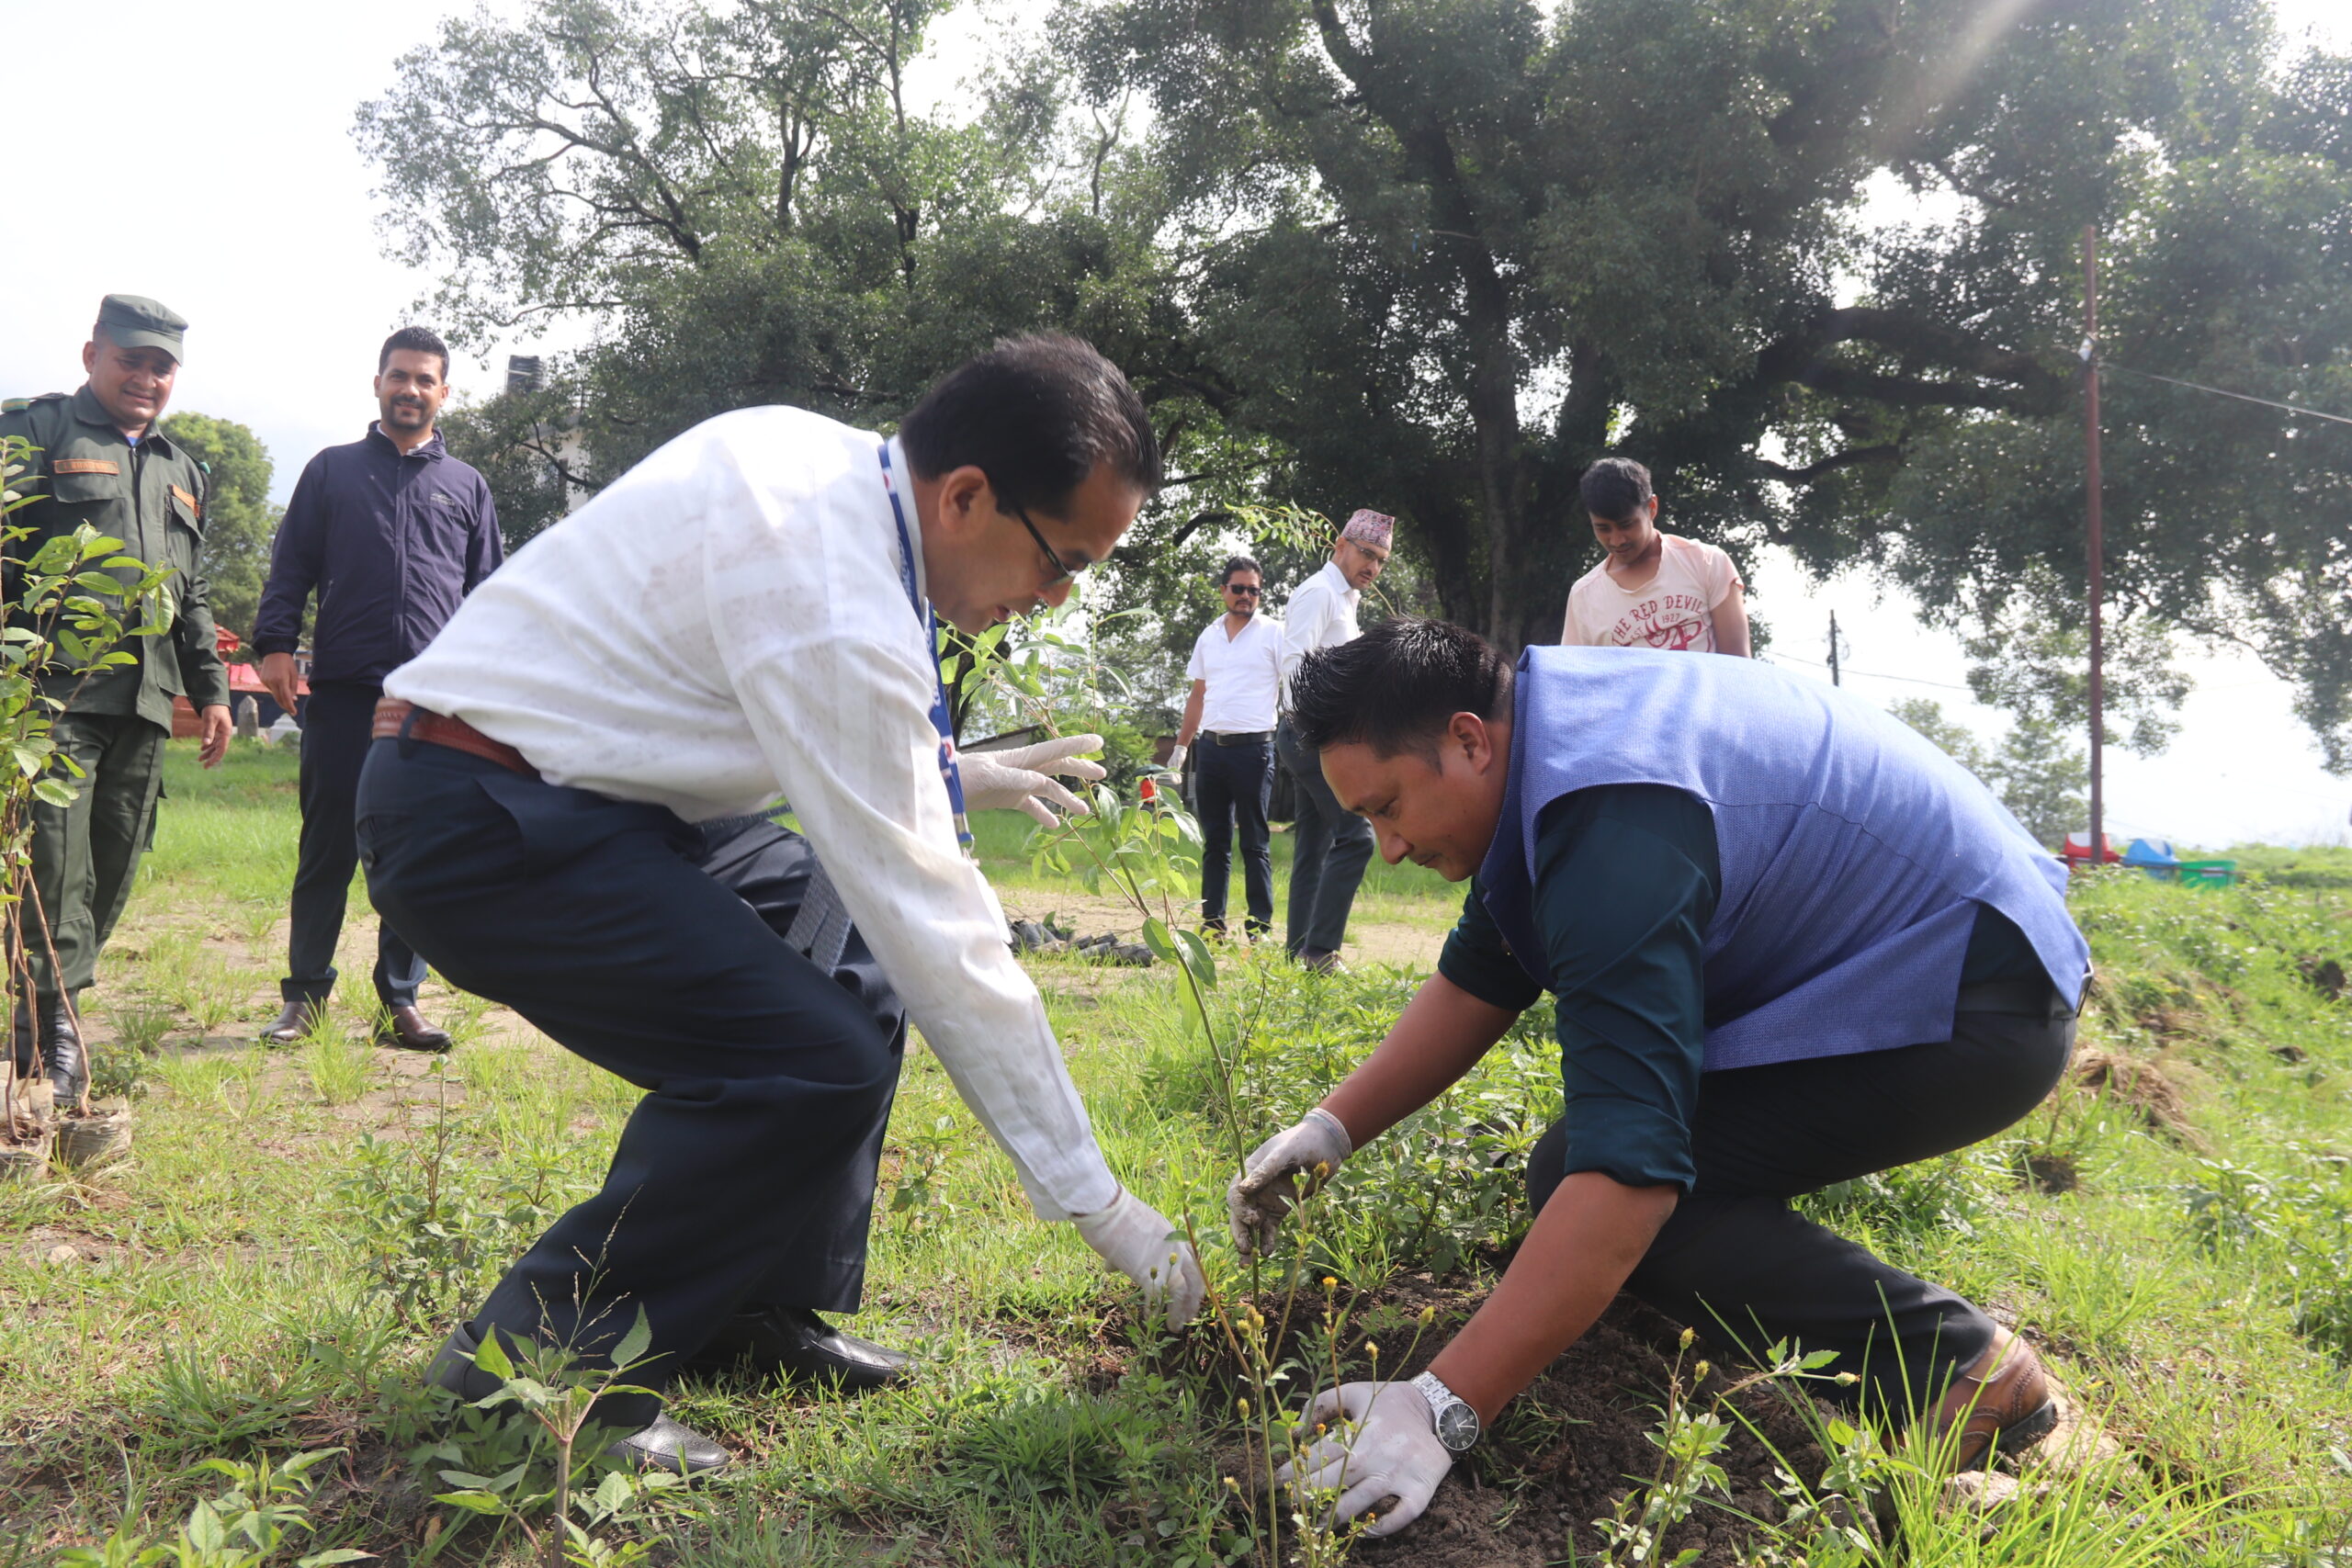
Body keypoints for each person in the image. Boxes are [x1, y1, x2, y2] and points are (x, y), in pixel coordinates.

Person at [356, 334, 1204, 1476]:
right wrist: (1097, 1201)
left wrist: (948, 770)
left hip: (598, 795)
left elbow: (723, 692)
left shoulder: (812, 460)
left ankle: (756, 1309)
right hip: (479, 817)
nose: (1050, 599)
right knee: (809, 1056)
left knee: (849, 951)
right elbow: (944, 936)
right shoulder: (832, 587)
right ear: (966, 495)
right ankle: (531, 1370)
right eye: (1063, 562)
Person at [1232, 618, 2089, 1538]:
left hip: (1971, 998)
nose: (1387, 848)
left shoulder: (1611, 824)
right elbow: (1480, 977)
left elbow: (1630, 1176)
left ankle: (1970, 1379)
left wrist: (1439, 1407)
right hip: (1951, 950)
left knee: (1616, 1188)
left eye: (1386, 807)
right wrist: (1331, 1127)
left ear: (1466, 741)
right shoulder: (1554, 733)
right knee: (1574, 1170)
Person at [0, 296, 232, 1100]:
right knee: (54, 868)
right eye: (130, 358)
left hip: (144, 703)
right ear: (93, 352)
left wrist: (214, 692)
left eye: (160, 365)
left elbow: (192, 594)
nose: (145, 376)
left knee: (111, 869)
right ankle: (48, 1042)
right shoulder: (33, 433)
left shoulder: (183, 467)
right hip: (53, 698)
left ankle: (41, 1012)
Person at [253, 326, 503, 1052]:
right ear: (378, 382)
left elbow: (490, 593)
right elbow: (291, 567)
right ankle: (303, 998)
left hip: (431, 703)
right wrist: (274, 645)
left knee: (414, 851)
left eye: (425, 380)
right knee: (326, 845)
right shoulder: (331, 472)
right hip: (343, 691)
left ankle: (401, 1000)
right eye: (400, 376)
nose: (411, 390)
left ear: (444, 392)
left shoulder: (468, 487)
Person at [1274, 511, 1391, 970]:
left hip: (1318, 733)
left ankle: (1297, 952)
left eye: (1381, 560)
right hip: (1309, 733)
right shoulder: (1319, 593)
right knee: (1358, 836)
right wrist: (1314, 730)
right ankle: (1321, 952)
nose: (1373, 568)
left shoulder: (1346, 599)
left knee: (1314, 846)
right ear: (1340, 545)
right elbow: (1293, 663)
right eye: (1367, 554)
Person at [1170, 556, 1283, 939]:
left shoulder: (1275, 633)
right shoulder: (1209, 636)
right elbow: (1197, 695)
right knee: (1215, 841)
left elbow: (1296, 684)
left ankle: (1259, 928)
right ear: (1223, 591)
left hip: (1255, 751)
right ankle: (1213, 924)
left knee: (1255, 840)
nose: (1246, 596)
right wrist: (1181, 749)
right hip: (1211, 750)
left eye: (1254, 590)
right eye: (1239, 588)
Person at [1562, 457, 1750, 655]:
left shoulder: (1707, 563)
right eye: (1603, 529)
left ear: (1652, 508)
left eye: (1627, 525)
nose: (1617, 540)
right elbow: (1576, 678)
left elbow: (1738, 668)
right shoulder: (1584, 595)